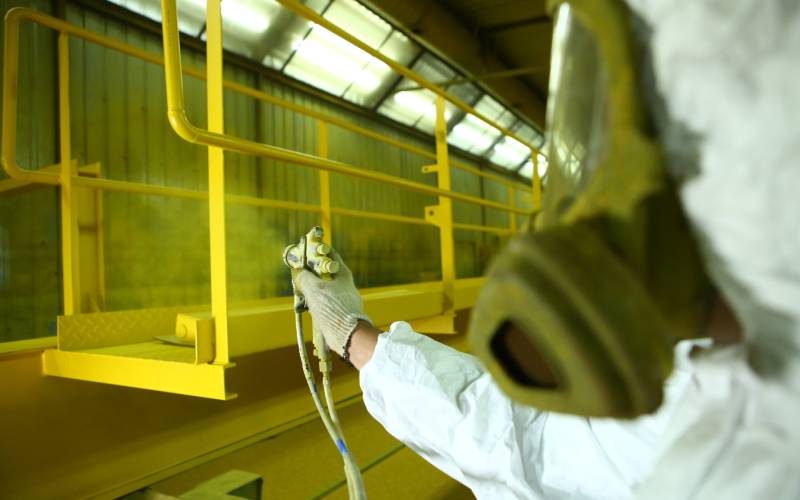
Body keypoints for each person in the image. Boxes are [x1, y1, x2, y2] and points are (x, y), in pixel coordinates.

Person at [296, 0, 800, 498]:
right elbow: (534, 438)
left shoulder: (747, 446)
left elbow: (528, 449)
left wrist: (352, 336)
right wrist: (357, 337)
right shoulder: (729, 366)